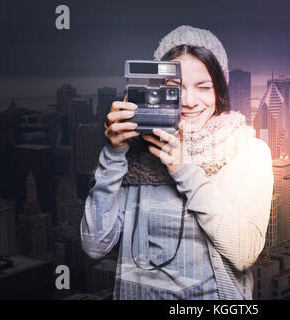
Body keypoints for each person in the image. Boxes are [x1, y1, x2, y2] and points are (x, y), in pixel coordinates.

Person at [81, 25, 273, 300]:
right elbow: (94, 246)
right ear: (156, 90)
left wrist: (185, 170)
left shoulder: (247, 151)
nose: (190, 102)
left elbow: (245, 253)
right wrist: (114, 154)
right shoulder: (137, 153)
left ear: (220, 89)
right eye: (175, 90)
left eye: (204, 87)